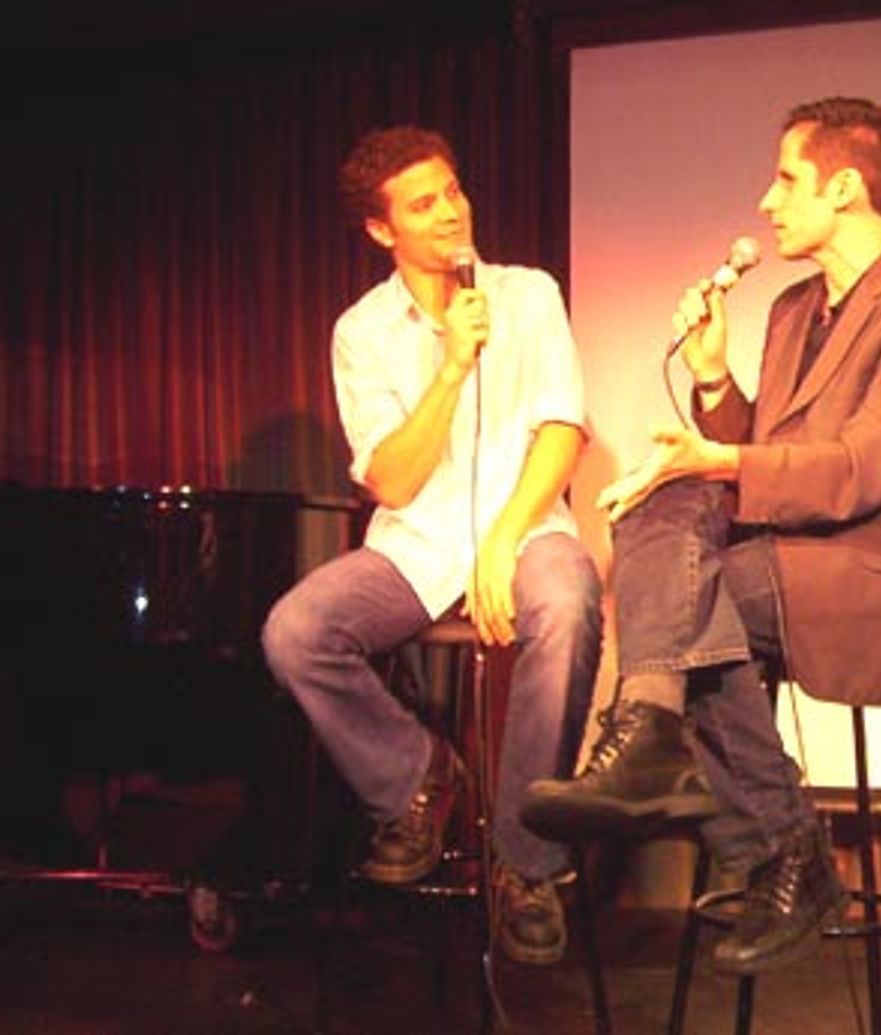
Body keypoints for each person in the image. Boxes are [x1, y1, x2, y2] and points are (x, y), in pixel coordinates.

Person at [521, 97, 881, 975]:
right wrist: (709, 380)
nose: (767, 203)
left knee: (697, 606)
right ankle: (767, 831)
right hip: (782, 561)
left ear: (845, 186)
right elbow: (768, 455)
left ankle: (692, 767)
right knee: (661, 510)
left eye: (785, 179)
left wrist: (720, 454)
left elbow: (860, 468)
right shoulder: (788, 309)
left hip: (872, 576)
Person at [262, 126, 602, 966]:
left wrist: (505, 536)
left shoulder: (528, 294)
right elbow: (394, 482)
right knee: (295, 631)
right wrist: (450, 368)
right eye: (424, 204)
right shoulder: (363, 331)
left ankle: (527, 859)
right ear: (384, 231)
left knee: (567, 599)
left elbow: (562, 429)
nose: (451, 211)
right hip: (414, 546)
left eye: (453, 190)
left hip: (525, 528)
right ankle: (417, 779)